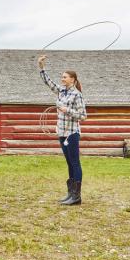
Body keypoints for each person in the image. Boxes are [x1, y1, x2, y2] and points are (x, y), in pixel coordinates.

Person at [37, 55, 87, 205]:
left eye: (65, 77)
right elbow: (48, 82)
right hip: (62, 133)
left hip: (72, 134)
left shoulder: (77, 95)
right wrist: (41, 67)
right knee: (69, 163)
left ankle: (77, 196)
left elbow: (83, 116)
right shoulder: (62, 91)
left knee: (75, 163)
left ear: (72, 79)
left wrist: (67, 110)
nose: (62, 79)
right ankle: (71, 194)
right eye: (62, 77)